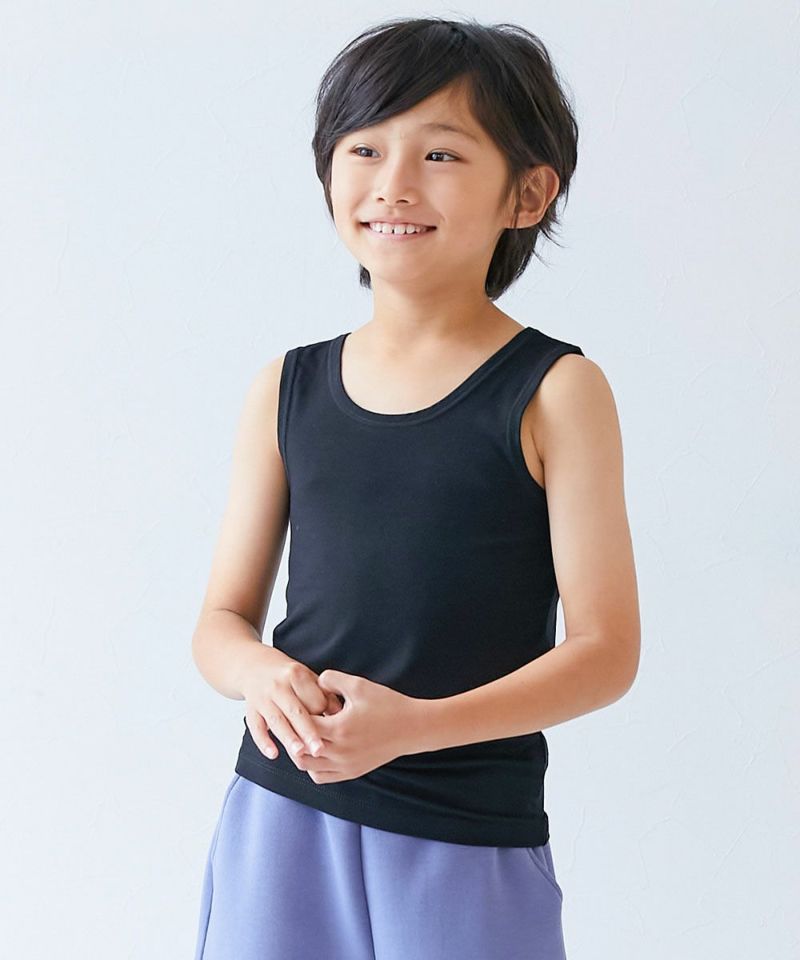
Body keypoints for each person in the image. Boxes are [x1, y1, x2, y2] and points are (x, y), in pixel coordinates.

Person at [191, 15, 640, 960]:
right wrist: (260, 673)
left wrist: (417, 730)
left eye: (440, 153)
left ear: (529, 192)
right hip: (282, 813)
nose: (393, 182)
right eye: (365, 148)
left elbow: (605, 653)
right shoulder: (287, 387)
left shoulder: (556, 391)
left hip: (465, 829)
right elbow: (221, 623)